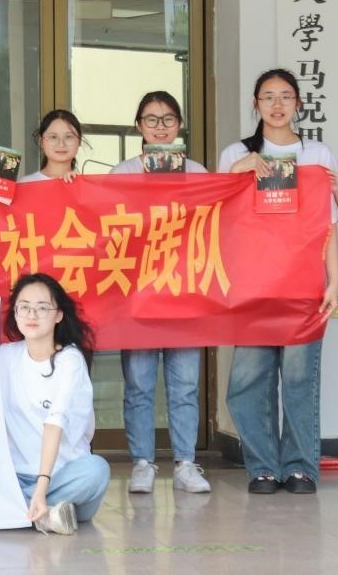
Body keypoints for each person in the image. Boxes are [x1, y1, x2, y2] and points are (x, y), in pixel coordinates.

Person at [218, 68, 338, 495]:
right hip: (252, 285)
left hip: (303, 286)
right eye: (268, 96)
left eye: (285, 96)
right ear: (255, 104)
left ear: (298, 104)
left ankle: (301, 467)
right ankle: (263, 467)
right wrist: (238, 171)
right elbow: (216, 213)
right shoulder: (236, 152)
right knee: (248, 381)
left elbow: (328, 225)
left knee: (299, 379)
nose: (277, 104)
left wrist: (334, 280)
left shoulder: (317, 155)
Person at [109, 92, 211, 495]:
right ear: (139, 126)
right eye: (151, 120)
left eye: (168, 119)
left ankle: (185, 463)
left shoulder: (197, 172)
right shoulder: (123, 173)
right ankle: (142, 462)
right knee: (138, 384)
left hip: (184, 293)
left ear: (179, 125)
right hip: (137, 295)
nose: (160, 127)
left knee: (185, 385)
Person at [1, 272, 110, 535]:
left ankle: (23, 510)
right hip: (16, 478)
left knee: (96, 470)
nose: (32, 315)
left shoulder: (70, 360)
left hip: (66, 479)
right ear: (15, 313)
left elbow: (55, 422)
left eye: (42, 308)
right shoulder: (4, 357)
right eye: (24, 307)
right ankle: (47, 515)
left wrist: (41, 489)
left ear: (58, 315)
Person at [19, 109, 84, 183]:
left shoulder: (86, 185)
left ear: (79, 141)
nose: (61, 144)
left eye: (68, 137)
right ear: (41, 141)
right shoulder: (26, 183)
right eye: (53, 137)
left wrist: (77, 184)